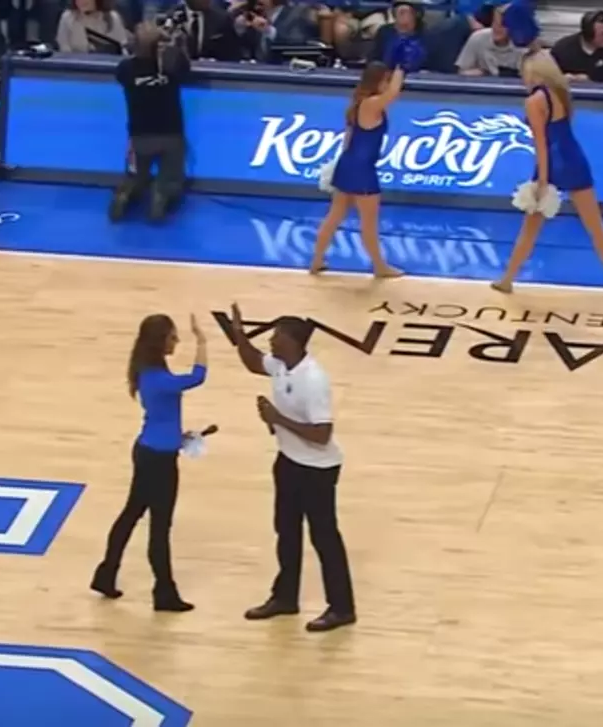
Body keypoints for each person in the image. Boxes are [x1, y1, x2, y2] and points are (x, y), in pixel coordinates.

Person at [228, 303, 356, 633]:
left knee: (324, 537)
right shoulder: (282, 366)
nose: (270, 341)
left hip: (317, 469)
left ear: (295, 342)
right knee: (286, 531)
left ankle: (341, 608)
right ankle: (285, 597)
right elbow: (253, 362)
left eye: (277, 337)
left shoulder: (312, 380)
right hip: (288, 461)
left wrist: (277, 419)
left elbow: (322, 433)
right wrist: (239, 334)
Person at [90, 313, 207, 612]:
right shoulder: (158, 378)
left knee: (131, 515)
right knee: (159, 526)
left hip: (150, 452)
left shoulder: (150, 372)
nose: (177, 341)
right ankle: (164, 593)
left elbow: (162, 417)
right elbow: (197, 377)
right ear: (159, 341)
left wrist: (178, 437)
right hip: (158, 461)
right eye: (172, 337)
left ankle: (106, 574)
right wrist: (202, 341)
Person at [492, 48, 603, 294]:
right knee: (595, 224)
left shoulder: (534, 101)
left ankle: (508, 279)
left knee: (530, 227)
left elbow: (541, 145)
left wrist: (542, 182)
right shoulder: (560, 92)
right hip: (573, 156)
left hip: (552, 162)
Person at [309, 62, 405, 278]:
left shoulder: (358, 103)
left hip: (348, 164)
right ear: (378, 81)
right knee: (369, 222)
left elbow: (347, 140)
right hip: (362, 169)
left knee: (334, 216)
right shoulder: (372, 103)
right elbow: (394, 93)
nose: (388, 84)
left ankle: (316, 261)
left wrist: (337, 167)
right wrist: (400, 69)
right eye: (385, 80)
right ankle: (380, 267)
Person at [109, 21, 190, 223]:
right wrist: (174, 44)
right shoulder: (171, 66)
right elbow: (186, 68)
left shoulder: (126, 69)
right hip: (171, 135)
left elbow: (122, 76)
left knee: (136, 175)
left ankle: (124, 194)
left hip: (140, 136)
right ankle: (160, 195)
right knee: (171, 178)